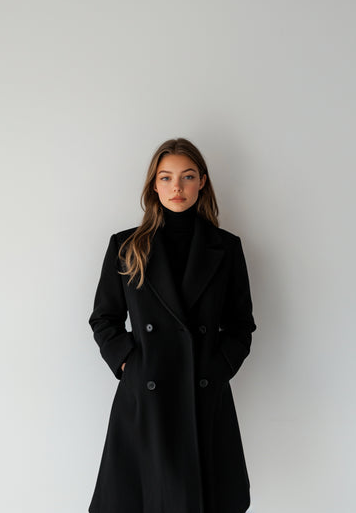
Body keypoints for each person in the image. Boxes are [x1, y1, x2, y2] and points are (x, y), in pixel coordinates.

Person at [88, 137, 257, 513]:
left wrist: (217, 368)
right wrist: (130, 364)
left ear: (202, 182)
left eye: (187, 176)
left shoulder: (226, 247)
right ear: (154, 185)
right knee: (143, 498)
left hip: (203, 392)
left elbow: (240, 324)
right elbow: (104, 318)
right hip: (146, 396)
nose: (176, 187)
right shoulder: (126, 246)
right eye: (166, 177)